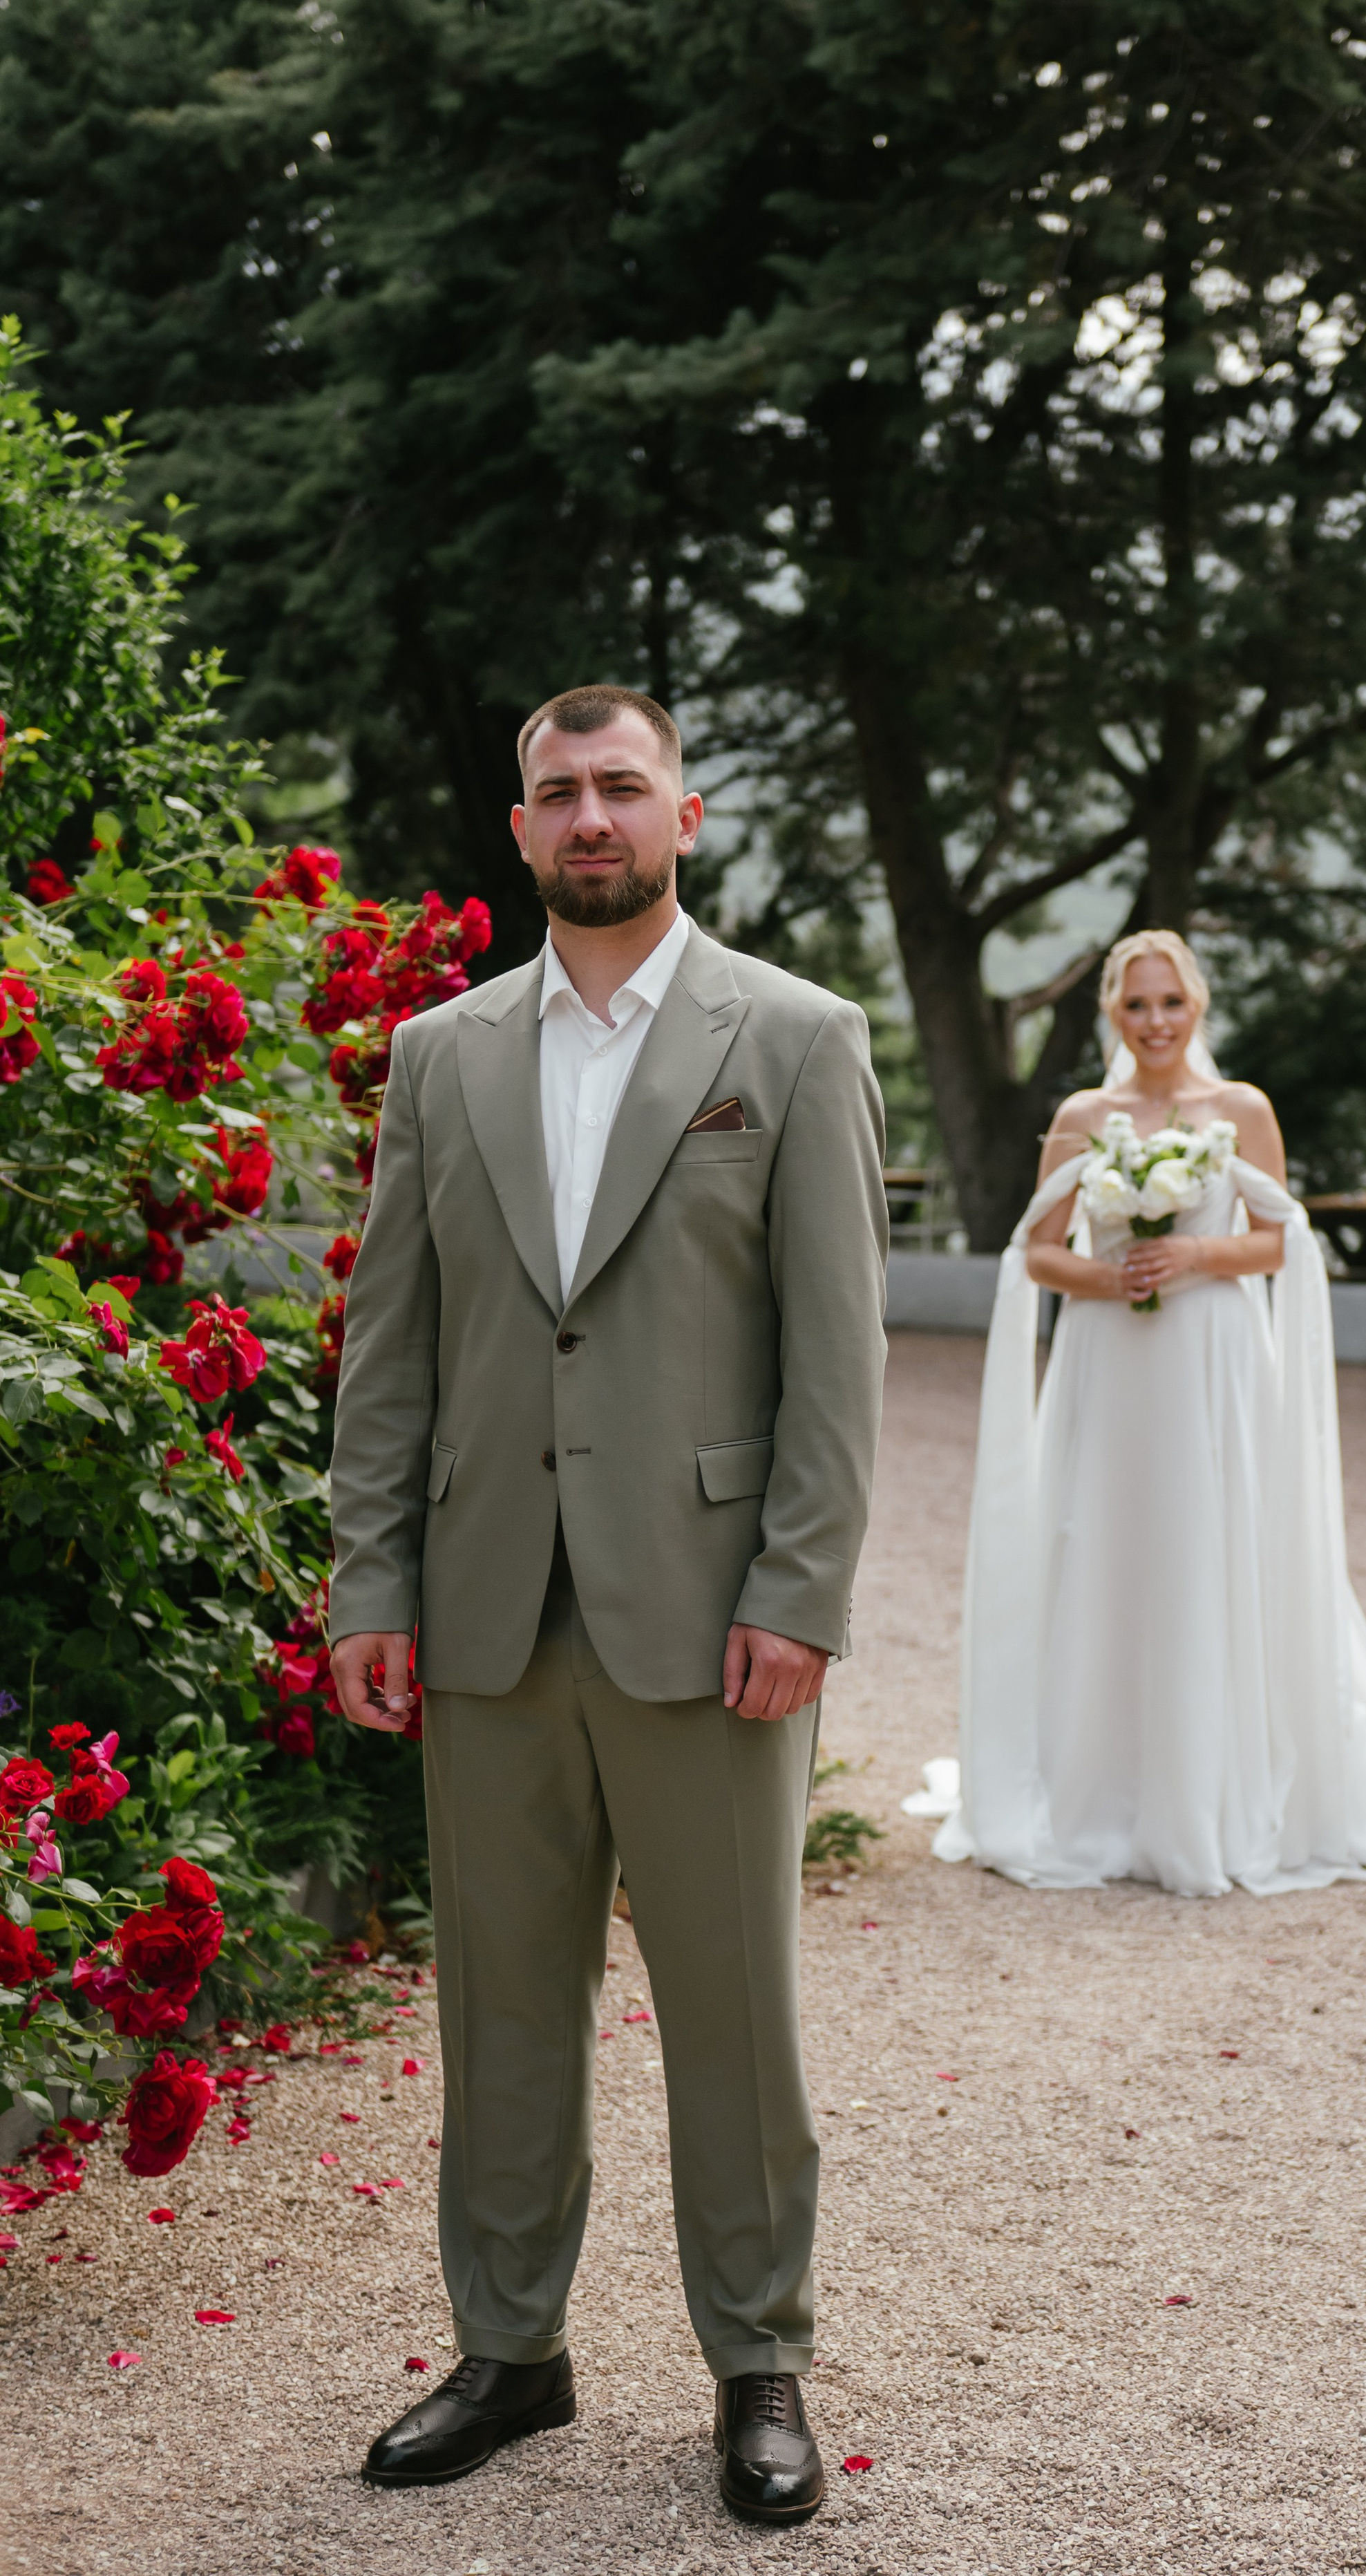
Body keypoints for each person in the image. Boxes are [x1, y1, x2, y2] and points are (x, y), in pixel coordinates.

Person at [327, 684, 888, 2523]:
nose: (591, 816)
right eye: (558, 791)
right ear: (518, 830)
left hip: (713, 1615)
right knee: (502, 2003)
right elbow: (391, 1359)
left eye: (621, 787)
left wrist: (801, 1587)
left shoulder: (791, 1041)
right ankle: (511, 2350)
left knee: (735, 2008)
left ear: (685, 816)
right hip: (486, 1609)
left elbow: (837, 1360)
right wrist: (372, 1580)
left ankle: (759, 2360)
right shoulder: (440, 1055)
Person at [928, 927, 1366, 1895]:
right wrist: (1105, 1275)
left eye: (1171, 1002)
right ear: (1113, 1015)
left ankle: (1214, 1784)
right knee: (1106, 1541)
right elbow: (1036, 1248)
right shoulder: (1085, 1115)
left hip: (1211, 1356)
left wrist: (1196, 1256)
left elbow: (1279, 1240)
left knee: (1212, 1538)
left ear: (1197, 1006)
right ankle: (1101, 1782)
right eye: (1137, 1005)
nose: (1157, 1021)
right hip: (1111, 1359)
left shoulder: (1240, 1109)